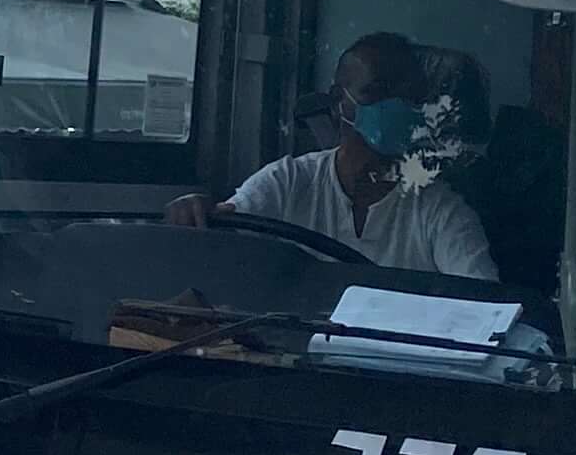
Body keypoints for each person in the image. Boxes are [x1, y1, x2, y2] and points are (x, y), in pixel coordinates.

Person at [167, 32, 496, 280]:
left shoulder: (440, 211)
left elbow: (487, 308)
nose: (396, 106)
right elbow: (219, 247)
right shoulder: (288, 182)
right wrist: (193, 213)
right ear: (340, 102)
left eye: (409, 97)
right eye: (379, 92)